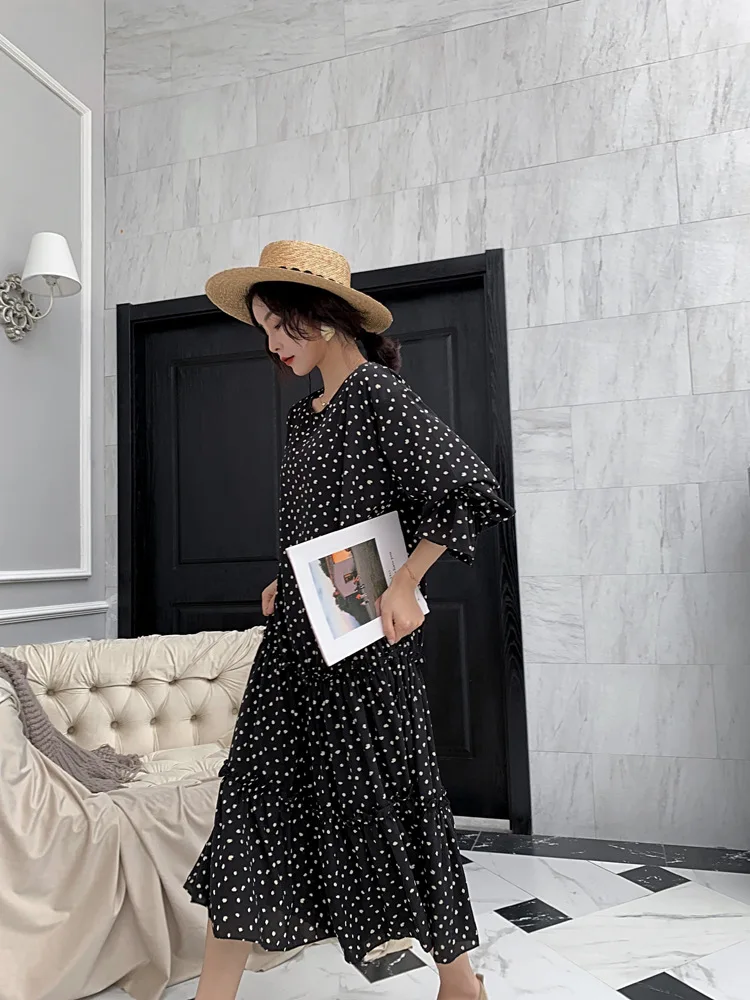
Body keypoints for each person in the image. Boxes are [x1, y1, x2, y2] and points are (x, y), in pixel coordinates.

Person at [184, 241, 514, 1000]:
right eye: (265, 329)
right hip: (297, 648)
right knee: (252, 810)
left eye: (280, 325)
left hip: (364, 653)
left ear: (324, 319)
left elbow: (467, 489)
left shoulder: (377, 395)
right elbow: (319, 524)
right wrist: (288, 574)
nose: (271, 344)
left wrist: (406, 581)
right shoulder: (304, 421)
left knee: (400, 810)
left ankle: (460, 982)